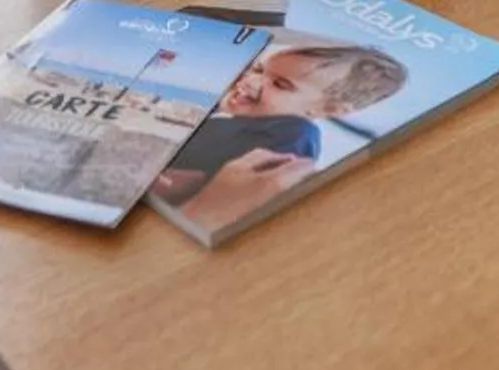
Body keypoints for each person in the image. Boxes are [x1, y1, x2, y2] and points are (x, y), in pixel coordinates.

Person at [153, 36, 407, 232]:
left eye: (280, 84)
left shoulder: (294, 134)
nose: (251, 81)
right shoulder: (238, 119)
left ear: (328, 109)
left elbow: (237, 192)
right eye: (259, 70)